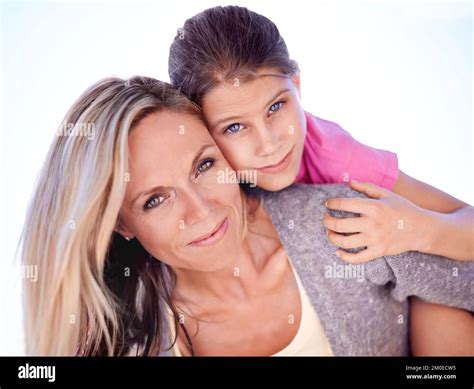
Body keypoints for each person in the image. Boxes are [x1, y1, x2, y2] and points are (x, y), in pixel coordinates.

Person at [20, 76, 473, 356]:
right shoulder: (126, 338)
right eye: (155, 200)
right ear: (119, 225)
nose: (202, 211)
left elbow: (462, 276)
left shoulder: (339, 224)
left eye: (204, 166)